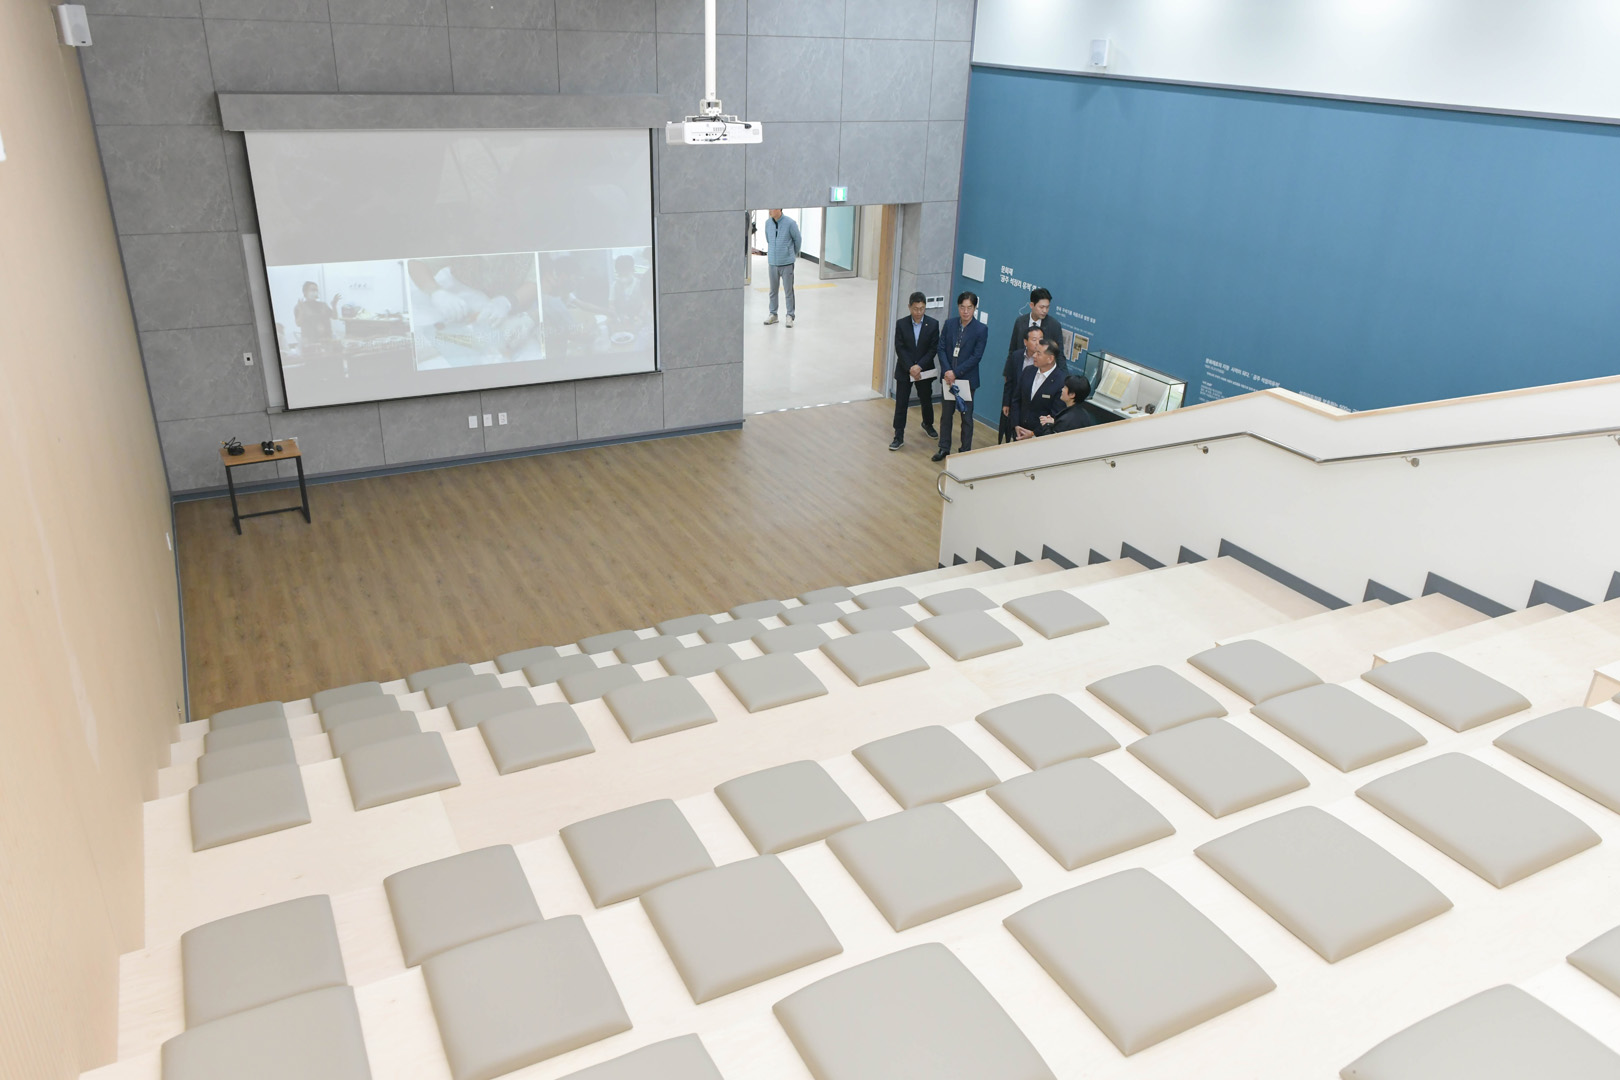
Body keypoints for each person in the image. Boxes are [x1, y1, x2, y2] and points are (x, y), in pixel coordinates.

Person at [932, 291, 988, 462]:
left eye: (969, 308)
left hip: (966, 380)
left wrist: (956, 373)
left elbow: (976, 357)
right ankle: (944, 447)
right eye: (962, 307)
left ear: (975, 308)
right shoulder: (950, 324)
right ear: (958, 307)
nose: (965, 311)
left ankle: (965, 451)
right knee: (946, 415)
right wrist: (948, 371)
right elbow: (941, 348)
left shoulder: (981, 329)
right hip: (948, 379)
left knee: (966, 417)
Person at [1001, 287, 1064, 439]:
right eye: (1041, 307)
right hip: (1021, 382)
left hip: (1042, 382)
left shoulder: (1054, 326)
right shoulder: (1020, 322)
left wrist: (1063, 379)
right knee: (1011, 424)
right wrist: (1007, 375)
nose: (1045, 310)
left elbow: (1059, 355)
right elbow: (1012, 350)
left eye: (1047, 307)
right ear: (1031, 305)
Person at [890, 292, 940, 451]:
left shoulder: (933, 324)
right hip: (905, 369)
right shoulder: (901, 324)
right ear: (909, 307)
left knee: (926, 399)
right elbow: (900, 348)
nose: (919, 312)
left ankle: (928, 424)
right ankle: (898, 435)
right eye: (916, 309)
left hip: (924, 370)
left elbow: (933, 349)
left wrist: (919, 366)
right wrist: (911, 367)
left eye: (922, 308)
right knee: (901, 403)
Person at [999, 323, 1046, 442]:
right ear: (1025, 342)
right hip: (1016, 403)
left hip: (1032, 408)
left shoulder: (1043, 362)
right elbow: (1009, 381)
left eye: (1041, 339)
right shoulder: (1016, 356)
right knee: (1013, 435)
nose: (1038, 343)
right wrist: (1006, 403)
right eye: (1034, 340)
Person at [1013, 340, 1065, 439]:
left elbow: (1055, 415)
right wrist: (1016, 425)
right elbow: (1016, 399)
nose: (1034, 356)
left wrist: (1033, 433)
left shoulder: (1061, 382)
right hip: (1019, 432)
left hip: (1040, 437)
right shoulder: (1028, 371)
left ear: (1050, 358)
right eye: (1035, 351)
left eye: (1038, 353)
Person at [762, 209, 801, 327]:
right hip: (772, 263)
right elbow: (768, 240)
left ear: (779, 209)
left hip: (787, 263)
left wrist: (791, 254)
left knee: (788, 291)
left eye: (772, 208)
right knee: (773, 291)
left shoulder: (790, 223)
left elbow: (798, 240)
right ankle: (773, 314)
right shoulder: (768, 223)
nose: (770, 211)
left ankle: (790, 315)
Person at [294, 281, 340, 346]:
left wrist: (334, 305)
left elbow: (335, 317)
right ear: (305, 292)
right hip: (310, 342)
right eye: (312, 290)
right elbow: (298, 323)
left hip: (326, 340)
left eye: (316, 290)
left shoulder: (323, 305)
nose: (315, 292)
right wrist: (301, 311)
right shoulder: (300, 306)